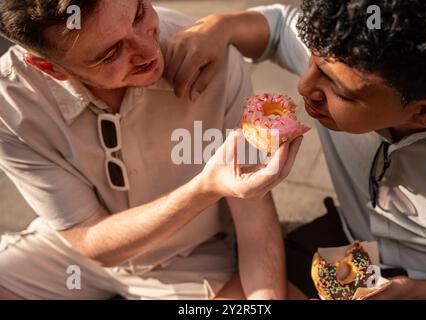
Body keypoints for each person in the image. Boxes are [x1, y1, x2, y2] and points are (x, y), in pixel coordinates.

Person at [0, 0, 305, 300]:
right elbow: (90, 238)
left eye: (139, 14)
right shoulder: (9, 103)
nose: (149, 50)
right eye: (110, 53)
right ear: (49, 68)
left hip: (192, 257)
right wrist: (203, 189)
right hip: (70, 254)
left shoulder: (213, 58)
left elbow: (255, 222)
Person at [164, 1, 426, 299]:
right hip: (346, 239)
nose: (304, 86)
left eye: (339, 91)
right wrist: (218, 27)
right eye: (310, 60)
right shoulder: (347, 45)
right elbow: (277, 27)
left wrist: (422, 291)